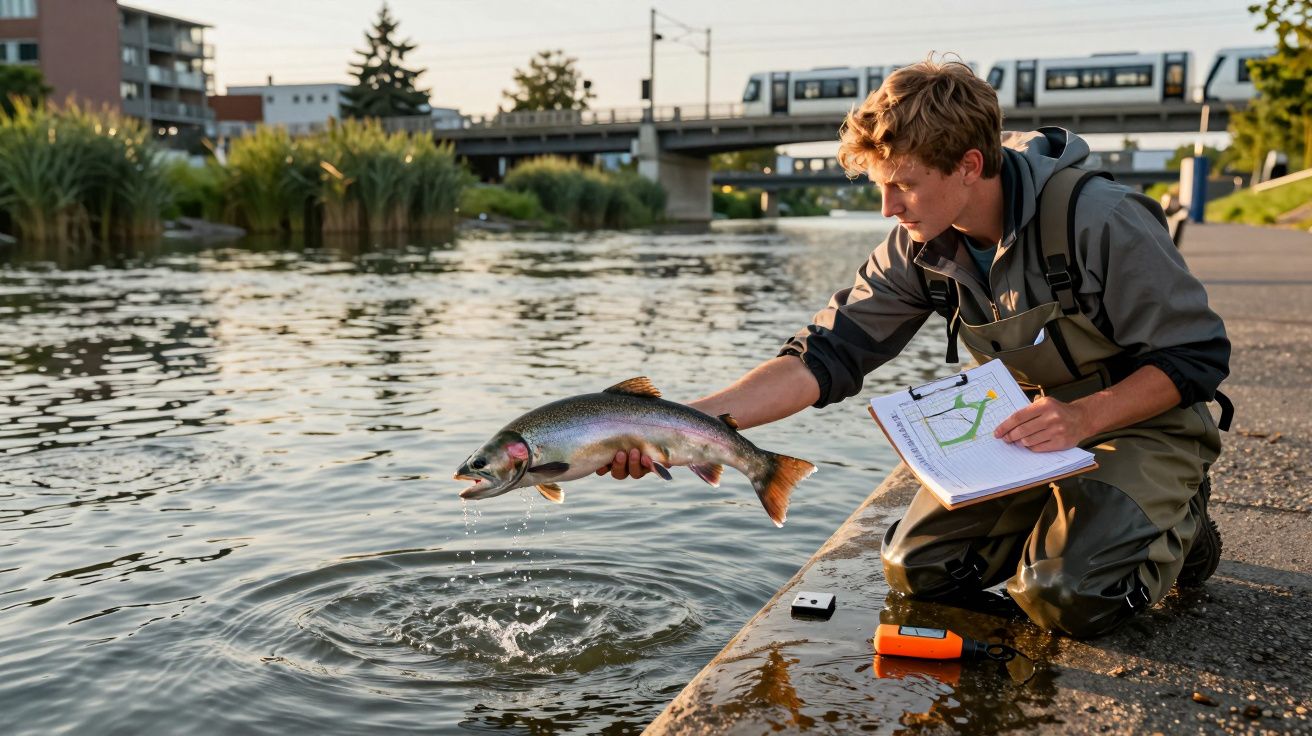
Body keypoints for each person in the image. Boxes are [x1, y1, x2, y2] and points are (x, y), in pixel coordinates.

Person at [600, 58, 1229, 638]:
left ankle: (1184, 528)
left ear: (970, 165)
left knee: (1065, 597)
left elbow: (1197, 357)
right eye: (879, 184)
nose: (886, 207)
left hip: (1140, 423)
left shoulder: (1100, 219)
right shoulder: (917, 244)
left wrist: (1084, 418)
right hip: (1023, 432)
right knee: (915, 569)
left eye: (904, 184)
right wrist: (685, 423)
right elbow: (825, 355)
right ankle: (1072, 521)